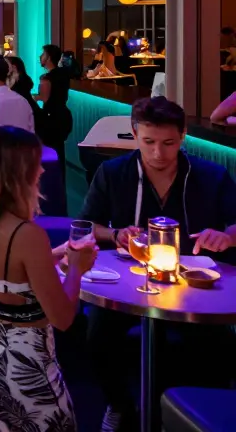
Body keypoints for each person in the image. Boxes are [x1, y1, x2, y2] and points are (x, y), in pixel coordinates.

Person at [77, 96, 236, 430]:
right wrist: (117, 233)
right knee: (97, 334)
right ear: (135, 135)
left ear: (182, 138)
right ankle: (119, 404)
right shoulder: (113, 173)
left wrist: (228, 237)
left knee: (217, 349)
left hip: (195, 287)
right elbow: (87, 224)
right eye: (148, 142)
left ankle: (188, 415)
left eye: (168, 143)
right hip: (129, 284)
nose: (158, 154)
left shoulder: (211, 176)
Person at [0, 126, 90, 432]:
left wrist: (50, 256)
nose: (42, 169)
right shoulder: (27, 235)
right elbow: (63, 317)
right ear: (17, 173)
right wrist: (77, 267)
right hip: (20, 359)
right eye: (35, 164)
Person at [36, 44, 73, 155]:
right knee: (59, 151)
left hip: (52, 120)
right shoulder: (64, 74)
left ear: (48, 57)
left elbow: (44, 98)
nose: (40, 57)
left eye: (43, 54)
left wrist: (33, 97)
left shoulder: (47, 78)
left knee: (50, 152)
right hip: (64, 117)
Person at [5, 55, 42, 121]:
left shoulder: (23, 80)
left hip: (29, 111)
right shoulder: (8, 80)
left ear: (14, 67)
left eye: (6, 64)